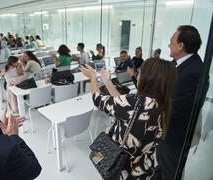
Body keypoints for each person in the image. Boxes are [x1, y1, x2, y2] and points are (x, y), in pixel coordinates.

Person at [81, 58, 177, 180]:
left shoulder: (135, 102)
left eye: (141, 71)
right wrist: (108, 82)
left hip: (123, 170)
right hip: (143, 169)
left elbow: (97, 99)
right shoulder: (162, 105)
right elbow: (125, 107)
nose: (138, 73)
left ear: (149, 78)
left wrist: (93, 77)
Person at [154, 25, 207, 180]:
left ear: (181, 46)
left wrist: (151, 107)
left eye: (171, 41)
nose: (168, 45)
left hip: (174, 136)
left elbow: (178, 108)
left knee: (170, 170)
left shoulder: (194, 72)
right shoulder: (179, 64)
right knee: (161, 165)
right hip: (166, 131)